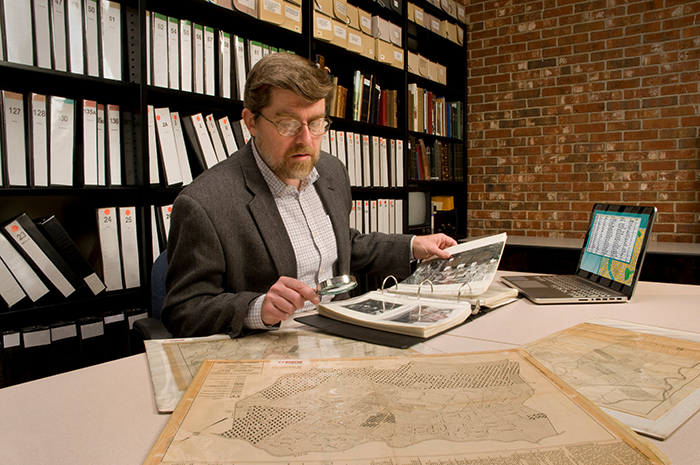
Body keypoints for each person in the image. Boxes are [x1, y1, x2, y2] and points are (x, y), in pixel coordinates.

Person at [162, 53, 457, 337]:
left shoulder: (331, 171)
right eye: (288, 123)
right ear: (251, 122)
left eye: (316, 123)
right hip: (272, 356)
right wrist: (257, 308)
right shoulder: (204, 203)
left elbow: (344, 245)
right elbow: (184, 309)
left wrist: (412, 245)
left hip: (341, 337)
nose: (306, 139)